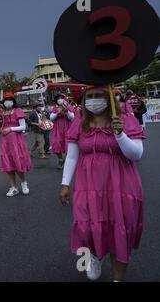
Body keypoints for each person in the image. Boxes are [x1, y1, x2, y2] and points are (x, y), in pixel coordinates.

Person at [60, 86, 145, 282]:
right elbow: (72, 156)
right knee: (86, 226)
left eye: (99, 95)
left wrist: (119, 134)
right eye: (89, 96)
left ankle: (117, 279)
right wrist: (65, 183)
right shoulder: (80, 122)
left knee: (119, 232)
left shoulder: (124, 118)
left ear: (109, 98)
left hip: (121, 185)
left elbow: (137, 154)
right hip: (87, 184)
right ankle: (94, 255)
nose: (94, 100)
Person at [0, 92, 32, 197]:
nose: (8, 102)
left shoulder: (18, 111)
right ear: (3, 102)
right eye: (6, 100)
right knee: (9, 164)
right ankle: (13, 187)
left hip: (16, 141)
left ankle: (24, 183)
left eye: (10, 99)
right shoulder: (1, 113)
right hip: (5, 141)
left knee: (18, 163)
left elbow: (23, 127)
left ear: (13, 101)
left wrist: (10, 129)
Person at [50, 94, 75, 169]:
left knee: (68, 145)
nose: (60, 99)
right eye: (58, 98)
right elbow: (51, 118)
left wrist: (66, 111)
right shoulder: (55, 108)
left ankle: (68, 161)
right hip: (58, 129)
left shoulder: (69, 107)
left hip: (68, 128)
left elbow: (72, 118)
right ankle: (61, 159)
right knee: (56, 143)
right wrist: (57, 113)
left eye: (61, 98)